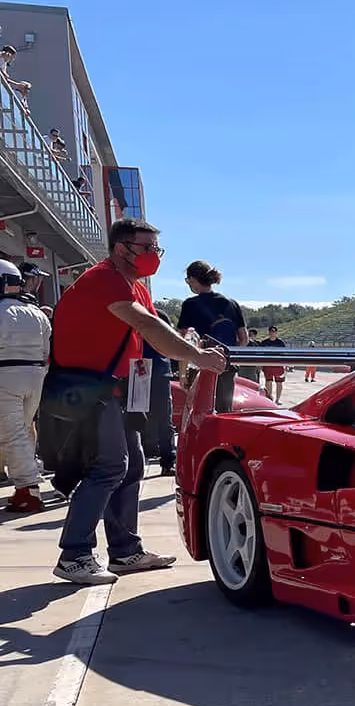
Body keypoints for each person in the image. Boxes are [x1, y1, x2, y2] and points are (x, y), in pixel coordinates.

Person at [48, 218, 227, 585]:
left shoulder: (136, 286)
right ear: (121, 248)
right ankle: (75, 555)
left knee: (133, 464)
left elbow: (153, 333)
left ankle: (125, 551)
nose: (153, 256)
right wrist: (197, 357)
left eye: (156, 249)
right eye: (146, 248)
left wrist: (188, 351)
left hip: (115, 387)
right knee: (110, 466)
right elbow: (148, 327)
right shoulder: (104, 279)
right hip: (85, 387)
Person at [0, 259, 51, 513]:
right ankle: (26, 486)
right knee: (22, 432)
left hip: (5, 375)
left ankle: (28, 490)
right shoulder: (37, 313)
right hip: (35, 374)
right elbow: (46, 351)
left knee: (13, 435)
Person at [142, 309, 178, 477]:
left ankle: (166, 460)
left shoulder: (132, 312)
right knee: (162, 418)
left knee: (159, 418)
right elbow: (172, 340)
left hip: (144, 368)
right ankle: (165, 460)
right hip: (148, 368)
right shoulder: (160, 315)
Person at [261, 325, 288, 403]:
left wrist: (286, 364)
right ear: (269, 332)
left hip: (278, 365)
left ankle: (278, 399)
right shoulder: (264, 342)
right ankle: (269, 398)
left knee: (279, 382)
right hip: (268, 364)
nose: (272, 333)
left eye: (274, 332)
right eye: (271, 332)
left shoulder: (280, 342)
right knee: (268, 382)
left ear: (276, 333)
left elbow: (284, 353)